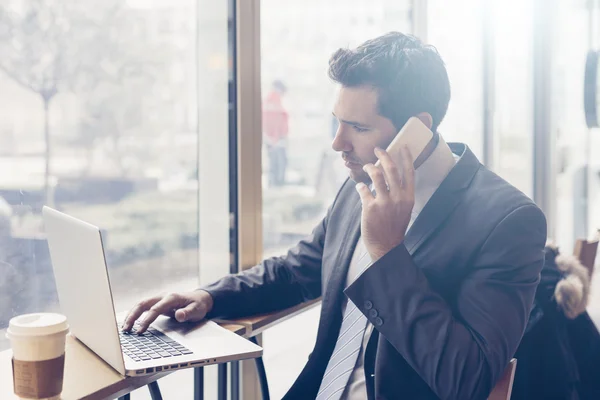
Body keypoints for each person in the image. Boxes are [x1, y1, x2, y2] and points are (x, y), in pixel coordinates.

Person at [124, 32, 547, 399]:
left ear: (416, 129)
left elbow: (467, 380)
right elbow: (297, 269)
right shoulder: (359, 183)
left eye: (358, 128)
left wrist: (387, 252)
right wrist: (212, 296)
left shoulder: (508, 222)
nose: (337, 143)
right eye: (337, 123)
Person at [263, 79, 289, 186]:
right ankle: (276, 185)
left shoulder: (270, 100)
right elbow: (273, 121)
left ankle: (275, 184)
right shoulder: (274, 100)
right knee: (277, 163)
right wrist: (275, 139)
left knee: (275, 163)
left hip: (274, 138)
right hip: (276, 139)